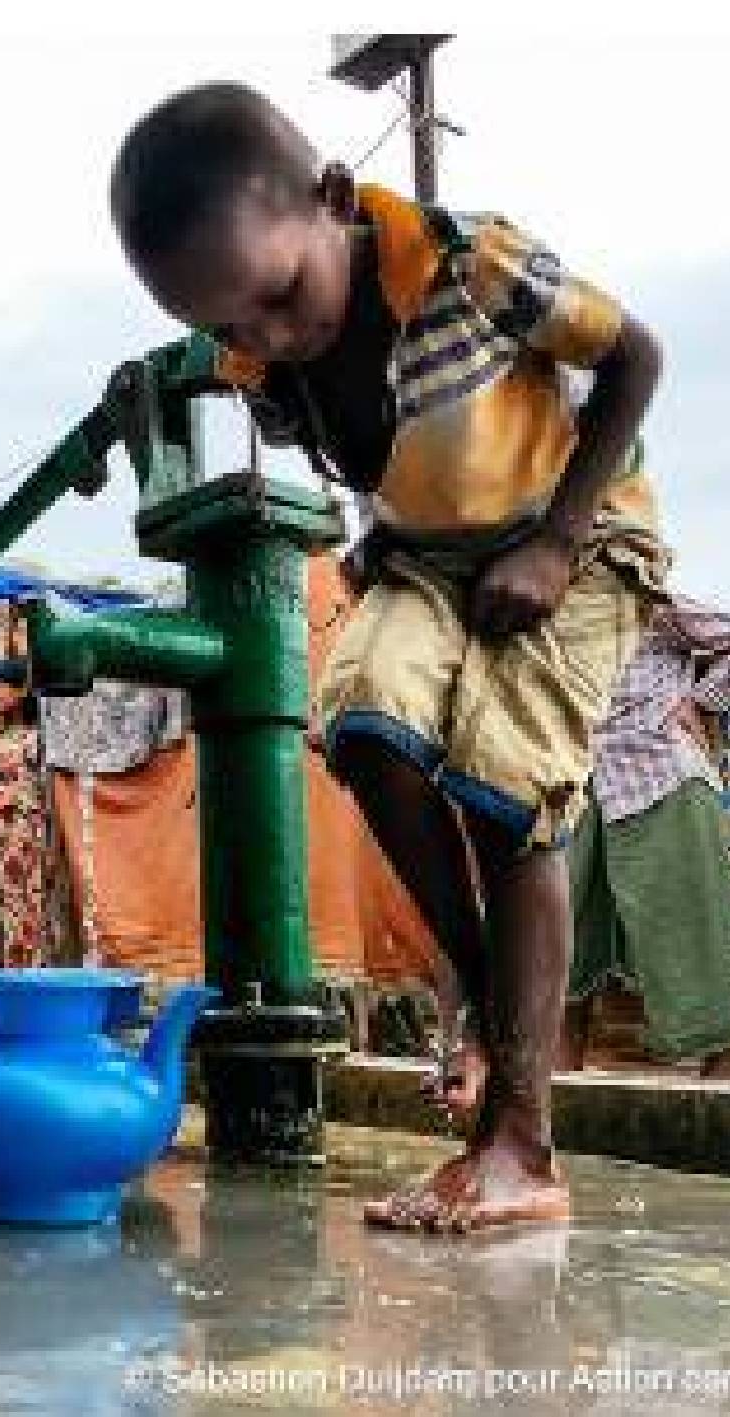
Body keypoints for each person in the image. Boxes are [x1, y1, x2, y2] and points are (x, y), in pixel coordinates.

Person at [111, 85, 665, 1232]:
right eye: (230, 328)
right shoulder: (260, 367)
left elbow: (635, 359)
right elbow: (378, 458)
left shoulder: (473, 267)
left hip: (578, 536)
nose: (265, 337)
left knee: (507, 792)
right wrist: (386, 540)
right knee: (361, 720)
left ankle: (520, 1142)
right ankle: (479, 991)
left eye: (276, 297)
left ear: (330, 200)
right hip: (426, 560)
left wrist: (558, 540)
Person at [563, 596, 730, 1076]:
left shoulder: (648, 598)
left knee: (708, 975)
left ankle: (709, 1135)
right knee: (557, 981)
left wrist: (701, 702)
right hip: (571, 789)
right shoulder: (526, 603)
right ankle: (553, 1131)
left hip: (659, 781)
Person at [0, 657, 57, 969]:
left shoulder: (39, 734)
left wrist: (17, 794)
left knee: (19, 902)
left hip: (23, 825)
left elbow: (48, 784)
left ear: (22, 691)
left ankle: (22, 975)